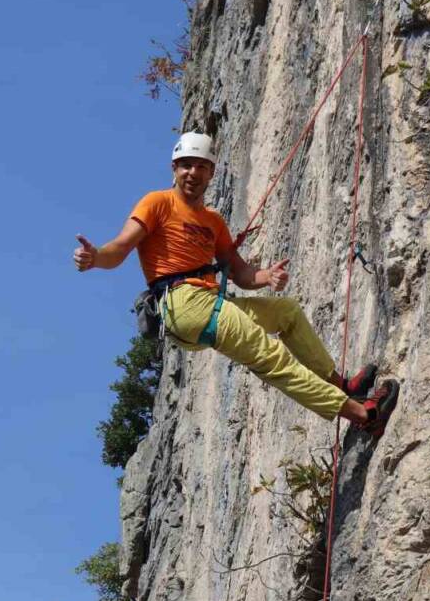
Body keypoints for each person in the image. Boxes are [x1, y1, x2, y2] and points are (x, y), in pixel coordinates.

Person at [72, 132, 399, 436]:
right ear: (174, 168)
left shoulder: (213, 221)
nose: (193, 173)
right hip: (184, 303)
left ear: (211, 174)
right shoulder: (157, 203)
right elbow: (121, 247)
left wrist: (266, 276)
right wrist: (96, 257)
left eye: (202, 166)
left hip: (211, 302)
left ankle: (341, 385)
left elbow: (240, 272)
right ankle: (364, 415)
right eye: (186, 165)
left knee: (286, 312)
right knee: (270, 356)